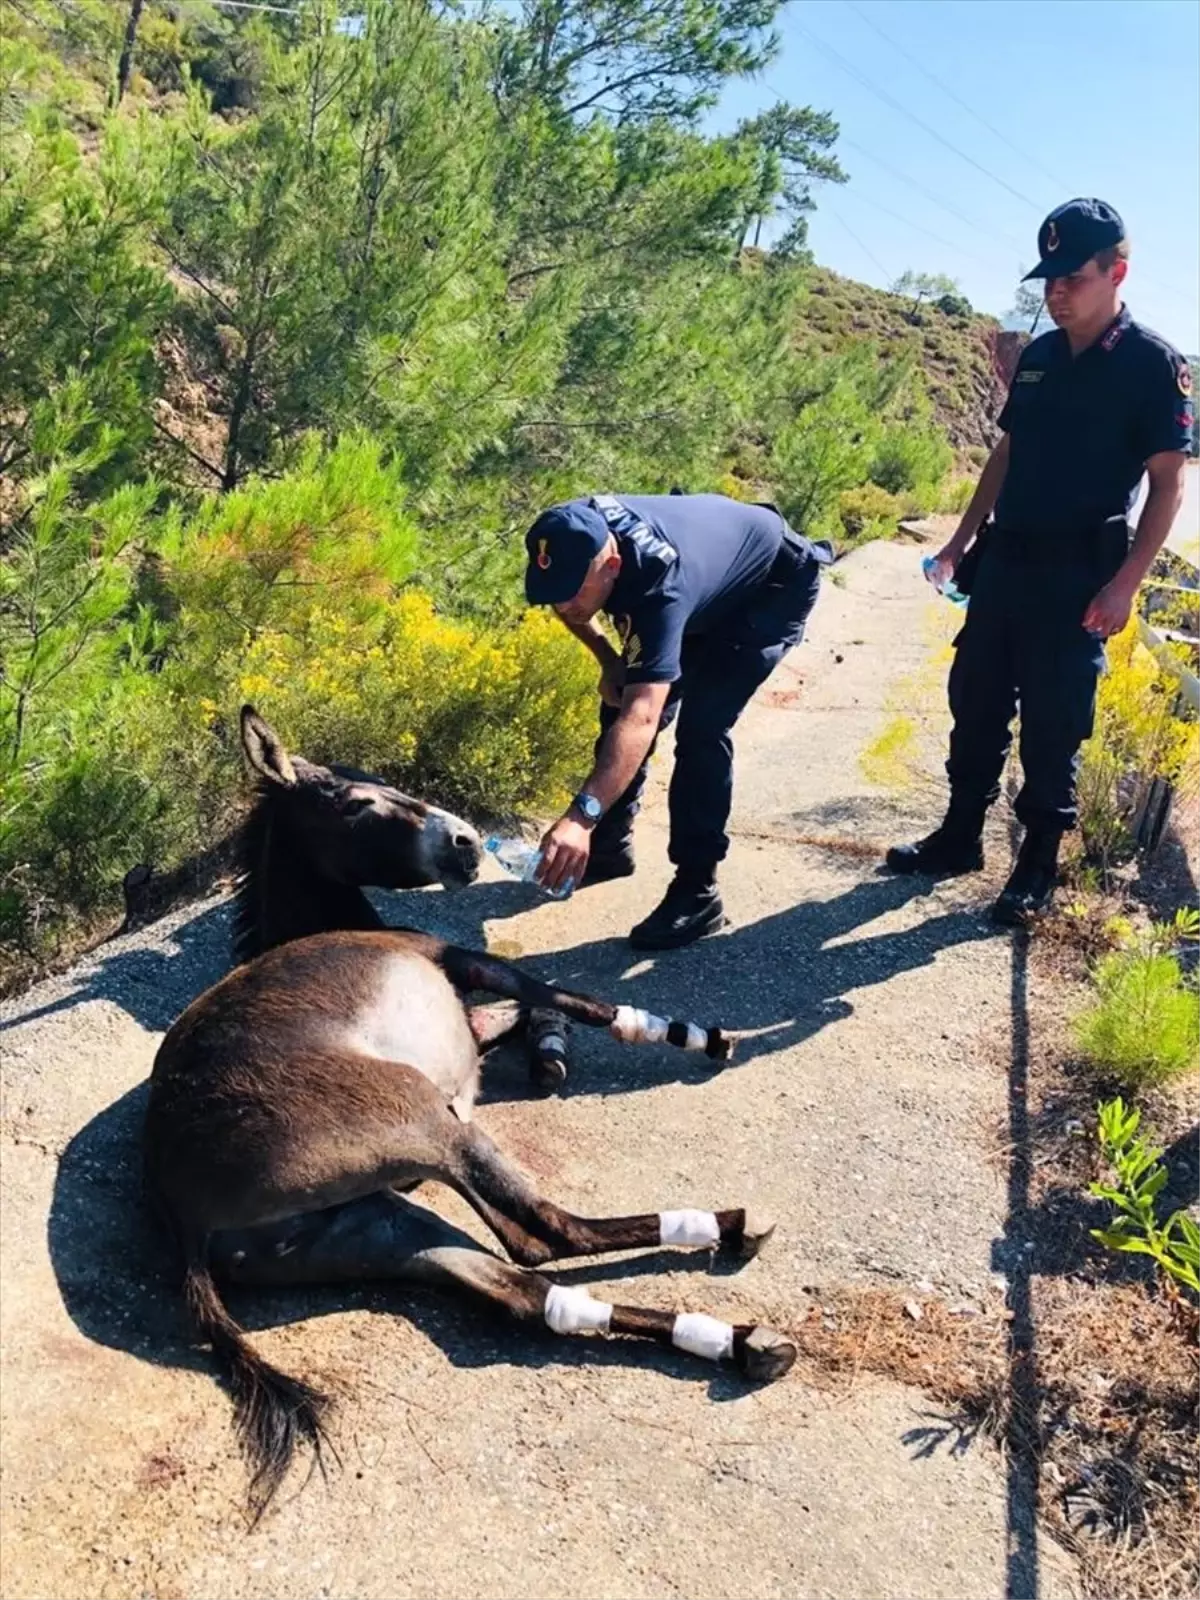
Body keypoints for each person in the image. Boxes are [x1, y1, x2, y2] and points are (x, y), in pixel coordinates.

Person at [887, 198, 1193, 924]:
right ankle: (959, 838)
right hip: (1007, 564)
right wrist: (961, 541)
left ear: (1116, 272)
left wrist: (1126, 585)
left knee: (1055, 725)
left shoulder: (1154, 365)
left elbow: (1169, 482)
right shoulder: (1041, 358)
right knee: (976, 702)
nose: (1055, 293)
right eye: (1047, 280)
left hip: (1080, 574)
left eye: (1071, 278)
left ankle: (1035, 870)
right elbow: (1008, 450)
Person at [521, 492, 830, 948]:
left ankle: (698, 891)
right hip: (708, 582)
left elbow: (644, 716)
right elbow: (572, 601)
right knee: (623, 692)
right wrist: (610, 659)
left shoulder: (658, 584)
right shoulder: (571, 530)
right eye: (553, 592)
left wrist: (579, 817)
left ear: (610, 567)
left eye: (572, 593)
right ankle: (609, 848)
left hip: (771, 590)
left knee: (702, 727)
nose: (563, 606)